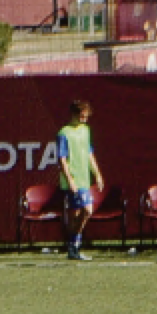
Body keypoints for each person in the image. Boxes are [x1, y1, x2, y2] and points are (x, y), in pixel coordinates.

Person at [52, 101, 105, 261]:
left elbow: (89, 154)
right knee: (87, 209)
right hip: (73, 179)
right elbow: (61, 159)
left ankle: (73, 247)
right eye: (81, 116)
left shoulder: (85, 130)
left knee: (78, 215)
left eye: (86, 117)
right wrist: (70, 181)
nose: (84, 119)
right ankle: (74, 245)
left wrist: (97, 174)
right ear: (74, 114)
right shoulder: (64, 133)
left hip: (84, 178)